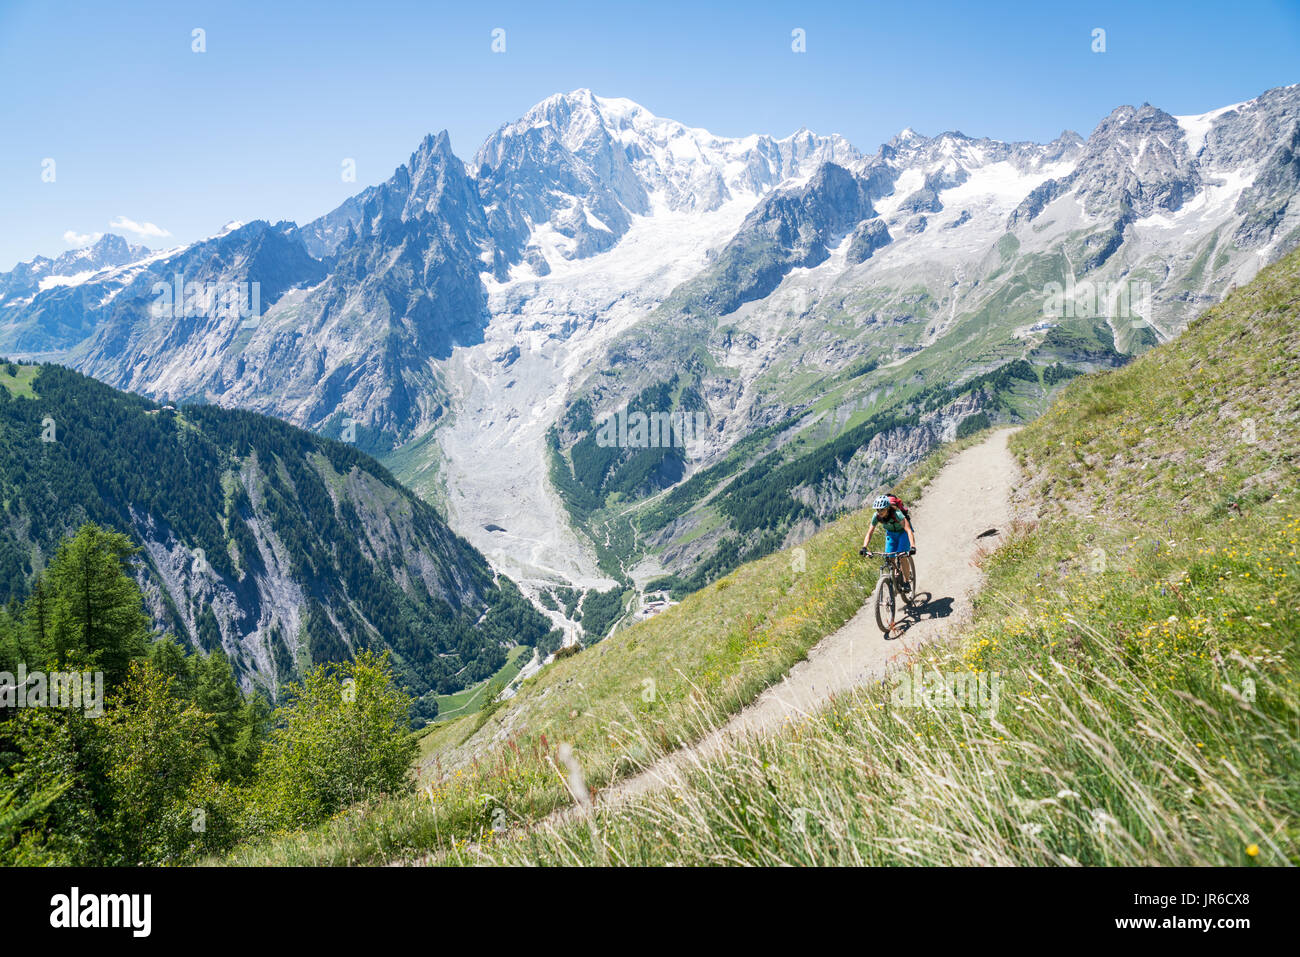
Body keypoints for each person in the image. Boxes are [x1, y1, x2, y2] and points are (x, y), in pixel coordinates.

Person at [861, 493, 916, 590]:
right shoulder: (876, 516)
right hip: (891, 534)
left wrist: (913, 546)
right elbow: (870, 532)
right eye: (877, 510)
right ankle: (895, 580)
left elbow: (908, 530)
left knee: (902, 556)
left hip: (903, 533)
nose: (879, 512)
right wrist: (864, 547)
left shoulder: (897, 514)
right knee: (890, 557)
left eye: (882, 509)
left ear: (887, 508)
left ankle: (906, 581)